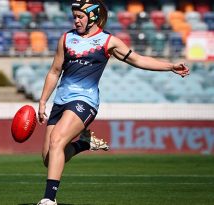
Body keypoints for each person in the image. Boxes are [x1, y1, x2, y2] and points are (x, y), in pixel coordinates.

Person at [36, 0, 190, 204]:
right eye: (74, 16)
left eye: (80, 16)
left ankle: (49, 199)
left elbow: (138, 59)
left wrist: (170, 66)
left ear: (92, 17)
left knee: (56, 141)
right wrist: (42, 101)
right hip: (61, 100)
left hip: (85, 100)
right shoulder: (66, 38)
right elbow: (55, 71)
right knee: (49, 158)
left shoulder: (108, 41)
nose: (76, 20)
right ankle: (84, 144)